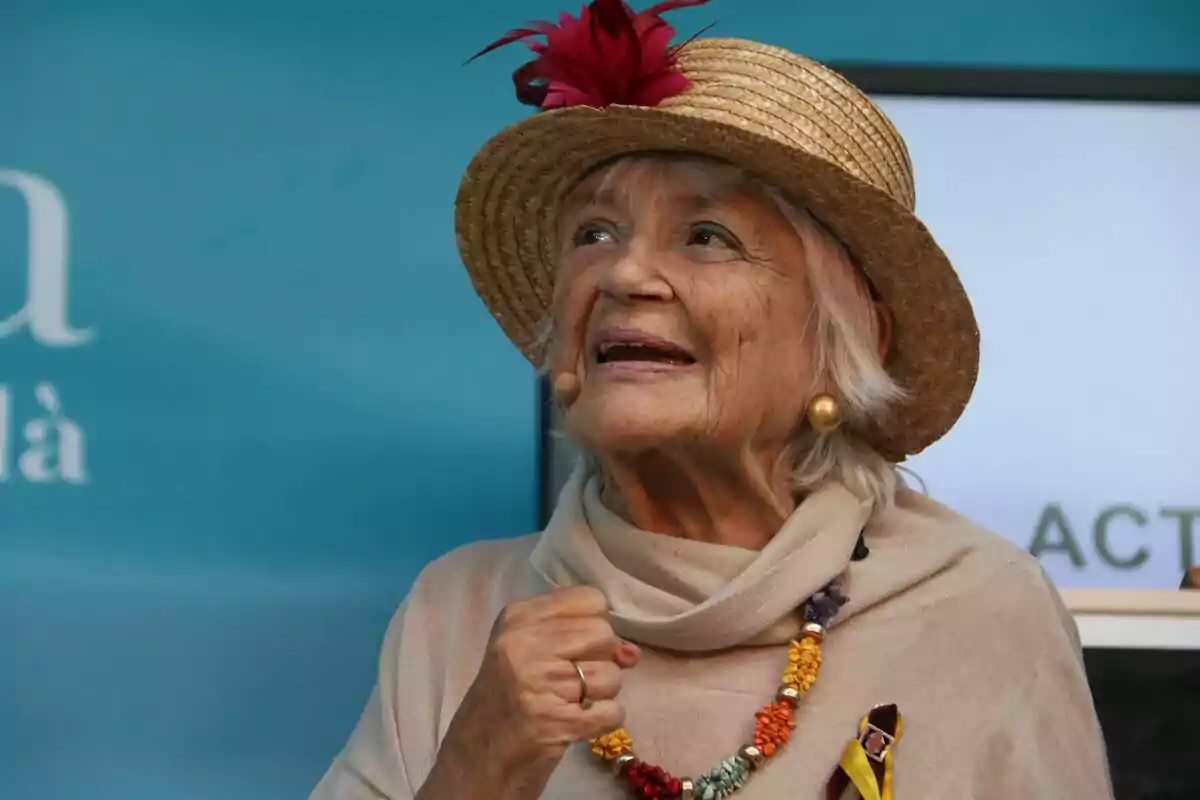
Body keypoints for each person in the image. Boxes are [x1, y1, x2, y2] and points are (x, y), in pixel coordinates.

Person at [312, 1, 1113, 797]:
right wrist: (476, 769)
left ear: (840, 340)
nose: (624, 275)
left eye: (707, 236)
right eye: (594, 233)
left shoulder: (980, 608)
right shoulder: (458, 611)